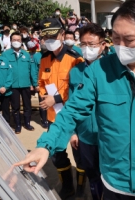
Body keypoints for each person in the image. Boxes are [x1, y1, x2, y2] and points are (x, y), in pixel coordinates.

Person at [15, 2, 135, 200]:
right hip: (115, 180)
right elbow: (72, 111)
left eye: (129, 40)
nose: (121, 46)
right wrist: (45, 145)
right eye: (116, 38)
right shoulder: (98, 71)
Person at [38, 17, 84, 199]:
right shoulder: (44, 59)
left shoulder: (75, 58)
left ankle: (81, 187)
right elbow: (41, 84)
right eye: (45, 37)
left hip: (72, 117)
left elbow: (79, 89)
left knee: (79, 154)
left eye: (53, 36)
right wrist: (45, 96)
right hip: (53, 116)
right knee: (57, 154)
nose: (49, 40)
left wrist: (55, 98)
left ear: (62, 34)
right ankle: (67, 186)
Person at [69, 23, 107, 199]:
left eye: (92, 44)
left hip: (109, 135)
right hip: (85, 135)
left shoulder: (113, 69)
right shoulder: (76, 72)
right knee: (92, 174)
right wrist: (74, 132)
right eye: (83, 44)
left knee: (111, 176)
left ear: (103, 44)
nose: (87, 48)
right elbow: (72, 104)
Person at [2, 32, 38, 134]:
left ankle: (27, 123)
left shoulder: (26, 54)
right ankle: (18, 125)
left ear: (21, 41)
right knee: (15, 106)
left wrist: (33, 83)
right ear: (11, 41)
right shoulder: (5, 54)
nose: (16, 42)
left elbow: (31, 70)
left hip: (26, 84)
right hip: (12, 85)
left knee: (27, 105)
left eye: (18, 40)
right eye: (14, 40)